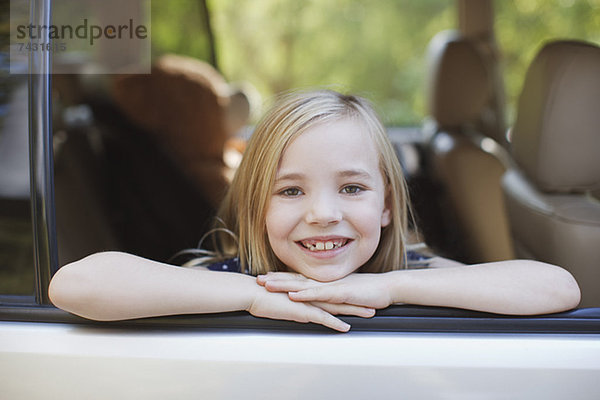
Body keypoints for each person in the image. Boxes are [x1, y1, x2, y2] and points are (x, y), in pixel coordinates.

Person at [49, 89, 581, 332]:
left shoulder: (410, 274)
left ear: (388, 206)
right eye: (290, 192)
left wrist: (391, 288)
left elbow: (558, 287)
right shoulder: (226, 279)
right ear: (256, 210)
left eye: (351, 189)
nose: (324, 214)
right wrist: (252, 297)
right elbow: (75, 284)